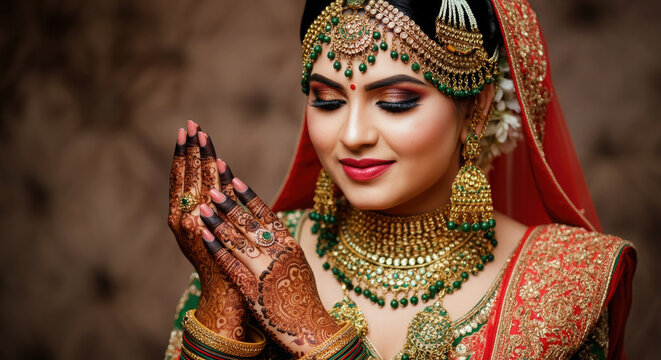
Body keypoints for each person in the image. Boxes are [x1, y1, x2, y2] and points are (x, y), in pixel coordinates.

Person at [164, 0, 636, 359]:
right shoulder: (252, 249)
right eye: (327, 102)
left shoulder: (567, 281)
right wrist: (222, 308)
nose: (351, 135)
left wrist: (311, 329)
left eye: (394, 101)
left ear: (477, 106)